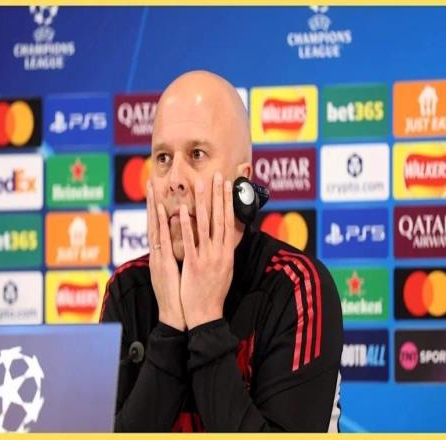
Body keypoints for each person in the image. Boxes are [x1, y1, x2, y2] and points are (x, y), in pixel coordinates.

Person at [100, 70, 343, 432]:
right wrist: (170, 327)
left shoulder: (297, 287)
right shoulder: (127, 289)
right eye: (163, 158)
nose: (174, 179)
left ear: (241, 181)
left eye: (196, 154)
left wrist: (205, 321)